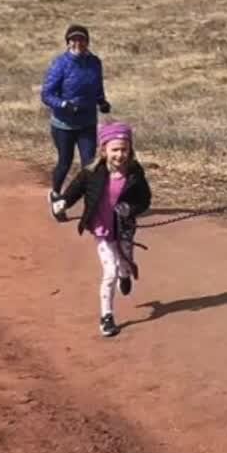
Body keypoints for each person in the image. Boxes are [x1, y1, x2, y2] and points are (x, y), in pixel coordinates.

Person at [52, 121, 152, 338]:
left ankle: (126, 274)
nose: (120, 154)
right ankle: (107, 316)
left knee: (124, 261)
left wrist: (130, 208)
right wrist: (64, 202)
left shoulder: (135, 173)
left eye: (124, 149)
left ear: (131, 150)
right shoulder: (92, 172)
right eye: (115, 149)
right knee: (110, 272)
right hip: (102, 230)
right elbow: (75, 190)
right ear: (104, 150)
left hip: (124, 229)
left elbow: (145, 200)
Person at [42, 24, 111, 210]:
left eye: (82, 39)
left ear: (87, 41)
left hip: (87, 122)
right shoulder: (60, 64)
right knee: (65, 161)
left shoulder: (95, 62)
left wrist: (102, 102)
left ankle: (90, 202)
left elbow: (97, 87)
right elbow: (47, 94)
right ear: (68, 42)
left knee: (89, 164)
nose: (78, 43)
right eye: (74, 39)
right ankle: (56, 194)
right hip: (63, 124)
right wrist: (64, 104)